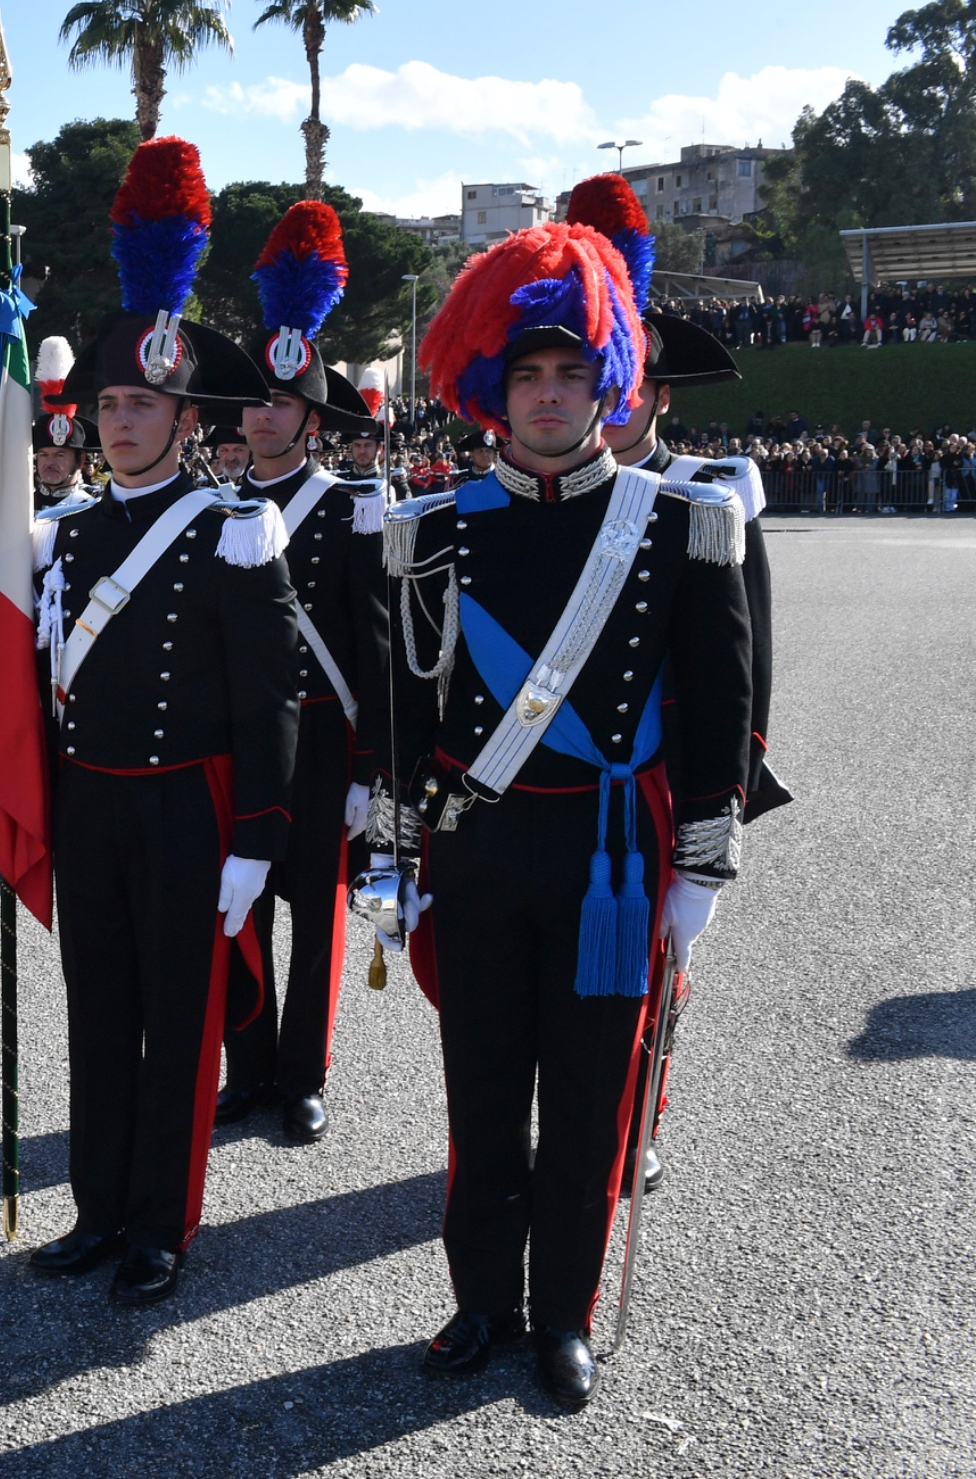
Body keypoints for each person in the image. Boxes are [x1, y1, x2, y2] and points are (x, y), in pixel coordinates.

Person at [389, 221, 750, 1409]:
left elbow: (717, 700)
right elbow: (404, 711)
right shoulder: (431, 530)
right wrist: (388, 860)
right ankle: (482, 1299)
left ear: (610, 382)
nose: (548, 397)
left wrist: (698, 864)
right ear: (491, 387)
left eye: (571, 374)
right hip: (480, 845)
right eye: (526, 375)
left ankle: (564, 1316)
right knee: (480, 1085)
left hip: (611, 855)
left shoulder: (675, 520)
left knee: (591, 1094)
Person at [25, 137, 297, 1307]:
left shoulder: (235, 526)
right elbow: (41, 688)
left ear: (186, 415)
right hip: (91, 801)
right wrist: (19, 804)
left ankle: (161, 1223)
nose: (121, 420)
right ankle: (96, 1207)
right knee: (99, 1013)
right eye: (108, 403)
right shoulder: (66, 532)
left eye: (142, 402)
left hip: (189, 805)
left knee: (178, 1028)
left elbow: (267, 694)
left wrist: (257, 839)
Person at [566, 175, 791, 1194]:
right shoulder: (544, 491)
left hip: (659, 774)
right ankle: (566, 1120)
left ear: (656, 394)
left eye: (627, 384)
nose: (608, 401)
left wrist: (717, 822)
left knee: (654, 974)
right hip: (559, 772)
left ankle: (636, 1118)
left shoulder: (707, 497)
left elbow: (745, 674)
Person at [220, 200, 392, 1145]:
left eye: (282, 402)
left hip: (325, 739)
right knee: (238, 910)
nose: (264, 413)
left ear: (313, 418)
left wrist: (370, 769)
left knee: (316, 920)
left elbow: (372, 649)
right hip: (244, 743)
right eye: (254, 399)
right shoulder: (215, 510)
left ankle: (304, 1072)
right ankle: (246, 1069)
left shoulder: (351, 510)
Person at [32, 336, 94, 510]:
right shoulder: (20, 508)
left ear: (80, 461)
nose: (49, 462)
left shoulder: (92, 510)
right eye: (44, 454)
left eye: (60, 455)